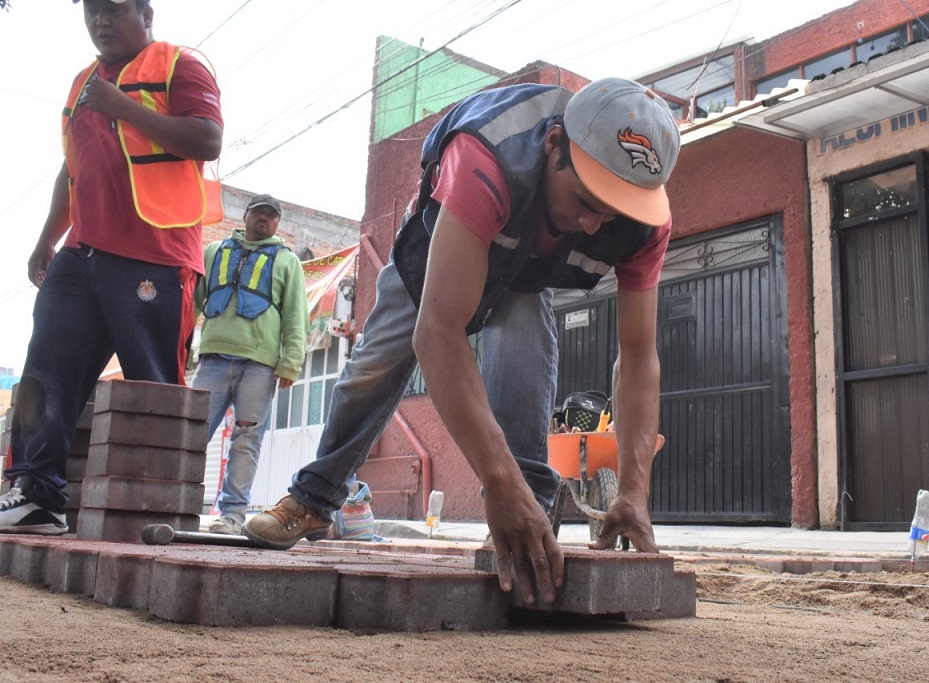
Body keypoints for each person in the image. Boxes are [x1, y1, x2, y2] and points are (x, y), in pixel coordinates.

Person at [243, 78, 680, 606]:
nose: (592, 223)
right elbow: (438, 333)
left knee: (522, 356)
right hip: (443, 241)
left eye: (609, 211)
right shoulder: (489, 155)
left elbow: (638, 358)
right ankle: (314, 498)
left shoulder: (643, 223)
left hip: (525, 269)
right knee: (374, 366)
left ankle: (528, 517)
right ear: (554, 144)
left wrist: (635, 491)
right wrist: (496, 479)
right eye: (586, 199)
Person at [0, 0, 223, 534]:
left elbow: (207, 139)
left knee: (152, 386)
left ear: (147, 13)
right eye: (92, 12)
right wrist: (45, 240)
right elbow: (71, 168)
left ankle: (155, 509)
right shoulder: (83, 82)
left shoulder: (180, 66)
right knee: (45, 370)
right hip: (82, 254)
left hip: (155, 254)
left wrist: (122, 106)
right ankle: (37, 494)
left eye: (114, 9)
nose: (100, 20)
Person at [191, 194, 308, 535]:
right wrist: (181, 349)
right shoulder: (214, 252)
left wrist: (291, 362)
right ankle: (177, 504)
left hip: (259, 364)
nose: (264, 219)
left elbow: (295, 315)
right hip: (212, 358)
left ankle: (232, 516)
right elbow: (193, 302)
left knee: (246, 441)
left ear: (277, 224)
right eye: (259, 213)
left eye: (271, 216)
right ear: (245, 216)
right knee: (190, 435)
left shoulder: (287, 261)